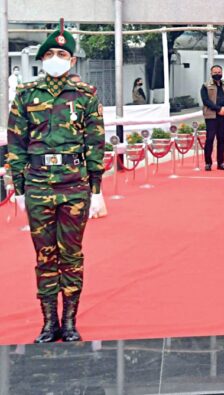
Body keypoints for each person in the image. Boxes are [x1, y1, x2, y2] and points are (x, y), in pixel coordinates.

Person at [6, 19, 105, 343]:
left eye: (63, 53)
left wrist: (97, 190)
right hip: (37, 186)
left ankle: (71, 321)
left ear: (73, 60)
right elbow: (16, 144)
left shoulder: (86, 95)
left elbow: (95, 143)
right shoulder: (25, 94)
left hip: (74, 186)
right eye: (51, 53)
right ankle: (49, 323)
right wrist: (18, 189)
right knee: (45, 256)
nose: (56, 58)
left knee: (72, 256)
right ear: (42, 57)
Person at [200, 64, 224, 171]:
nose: (217, 74)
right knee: (210, 139)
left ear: (222, 73)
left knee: (221, 140)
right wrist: (218, 109)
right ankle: (208, 163)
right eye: (215, 72)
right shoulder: (205, 86)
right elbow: (206, 101)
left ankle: (221, 162)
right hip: (211, 116)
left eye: (219, 72)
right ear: (211, 73)